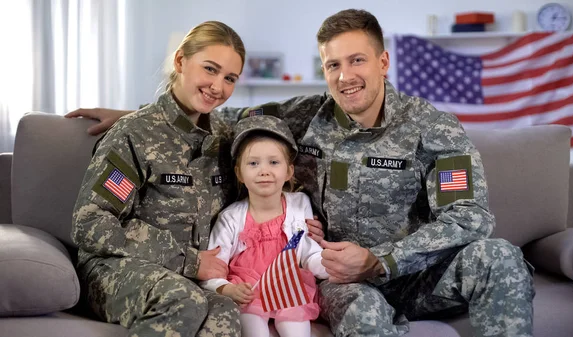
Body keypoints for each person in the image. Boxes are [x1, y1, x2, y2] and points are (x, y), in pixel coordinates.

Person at [67, 9, 535, 337]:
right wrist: (139, 116)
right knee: (359, 312)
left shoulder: (433, 127)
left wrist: (383, 260)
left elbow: (469, 218)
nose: (345, 75)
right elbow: (219, 115)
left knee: (498, 256)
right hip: (338, 278)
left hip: (411, 271)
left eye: (357, 60)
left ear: (383, 63)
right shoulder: (307, 115)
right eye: (333, 64)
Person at [71, 21, 247, 337]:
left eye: (230, 78)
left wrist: (298, 215)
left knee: (226, 315)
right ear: (180, 61)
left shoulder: (225, 137)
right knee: (182, 299)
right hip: (113, 268)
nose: (218, 86)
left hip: (189, 276)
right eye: (210, 69)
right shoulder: (133, 135)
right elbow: (91, 223)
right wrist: (189, 261)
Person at [200, 114, 329, 337]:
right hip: (248, 291)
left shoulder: (299, 204)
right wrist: (228, 289)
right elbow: (213, 268)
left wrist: (326, 264)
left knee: (297, 331)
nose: (264, 171)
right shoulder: (230, 218)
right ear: (239, 173)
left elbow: (309, 251)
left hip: (288, 286)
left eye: (274, 162)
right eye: (253, 163)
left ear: (289, 171)